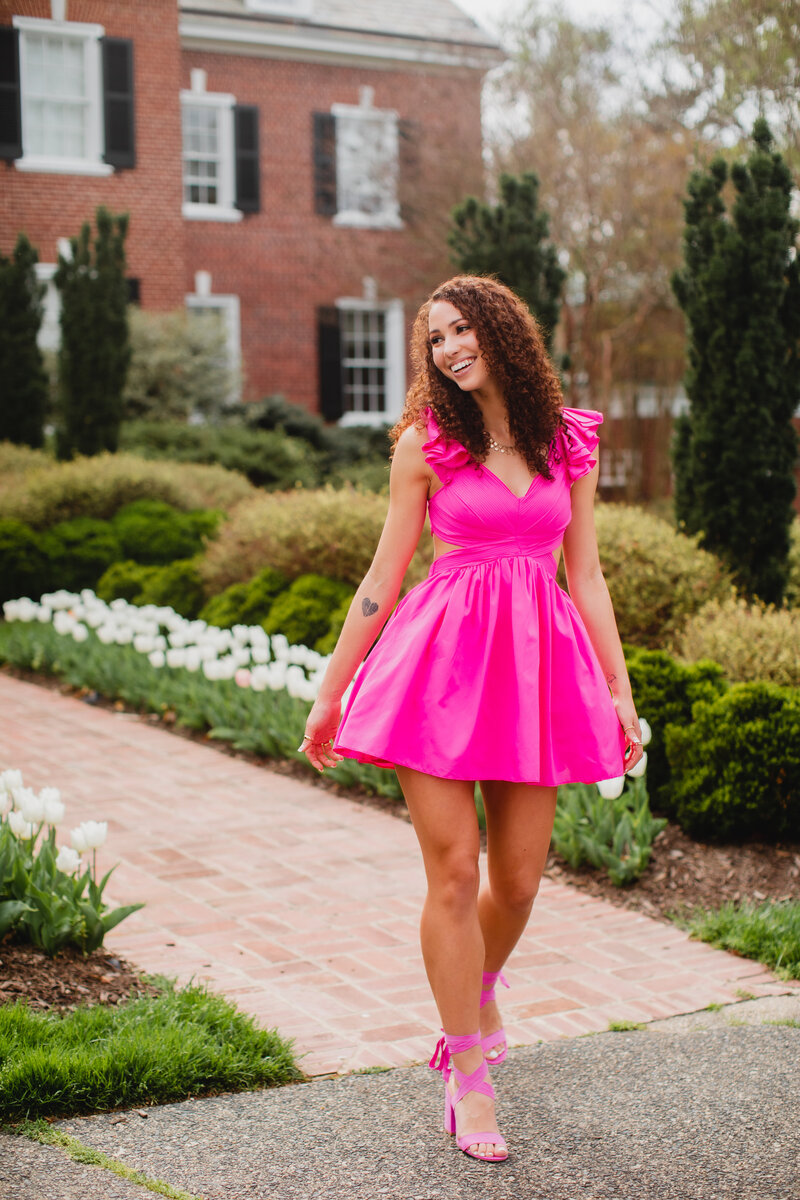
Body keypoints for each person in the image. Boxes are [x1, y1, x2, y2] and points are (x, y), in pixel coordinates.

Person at [300, 275, 643, 1164]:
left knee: (521, 880)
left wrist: (619, 687)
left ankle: (477, 986)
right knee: (455, 870)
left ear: (500, 331)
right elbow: (384, 576)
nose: (450, 348)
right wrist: (332, 689)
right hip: (441, 667)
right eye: (436, 338)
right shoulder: (426, 444)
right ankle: (466, 1075)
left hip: (537, 672)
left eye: (462, 330)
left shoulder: (567, 442)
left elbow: (588, 574)